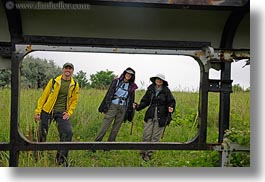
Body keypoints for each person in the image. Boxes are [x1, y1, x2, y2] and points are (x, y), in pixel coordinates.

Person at [34, 62, 79, 167]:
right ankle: (38, 156)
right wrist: (38, 111)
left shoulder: (75, 85)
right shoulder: (54, 81)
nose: (68, 70)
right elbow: (43, 96)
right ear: (62, 69)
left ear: (72, 71)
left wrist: (69, 113)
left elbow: (74, 101)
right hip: (48, 111)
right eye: (66, 68)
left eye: (70, 69)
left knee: (68, 133)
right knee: (42, 133)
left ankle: (60, 160)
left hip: (62, 113)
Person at [134, 73, 176, 161]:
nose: (159, 81)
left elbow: (171, 101)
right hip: (150, 114)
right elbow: (145, 101)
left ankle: (149, 154)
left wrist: (171, 107)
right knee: (146, 134)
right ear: (155, 80)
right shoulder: (150, 89)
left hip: (162, 116)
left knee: (155, 137)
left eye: (161, 80)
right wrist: (138, 107)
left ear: (163, 81)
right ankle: (142, 152)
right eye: (157, 79)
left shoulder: (166, 90)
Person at [95, 67, 138, 145]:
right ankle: (96, 144)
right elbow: (109, 94)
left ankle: (109, 146)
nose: (128, 75)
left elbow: (131, 99)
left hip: (123, 108)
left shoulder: (132, 86)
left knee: (116, 128)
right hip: (113, 106)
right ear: (124, 73)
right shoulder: (116, 81)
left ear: (132, 76)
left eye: (130, 75)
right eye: (127, 73)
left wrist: (131, 110)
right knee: (105, 126)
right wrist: (104, 107)